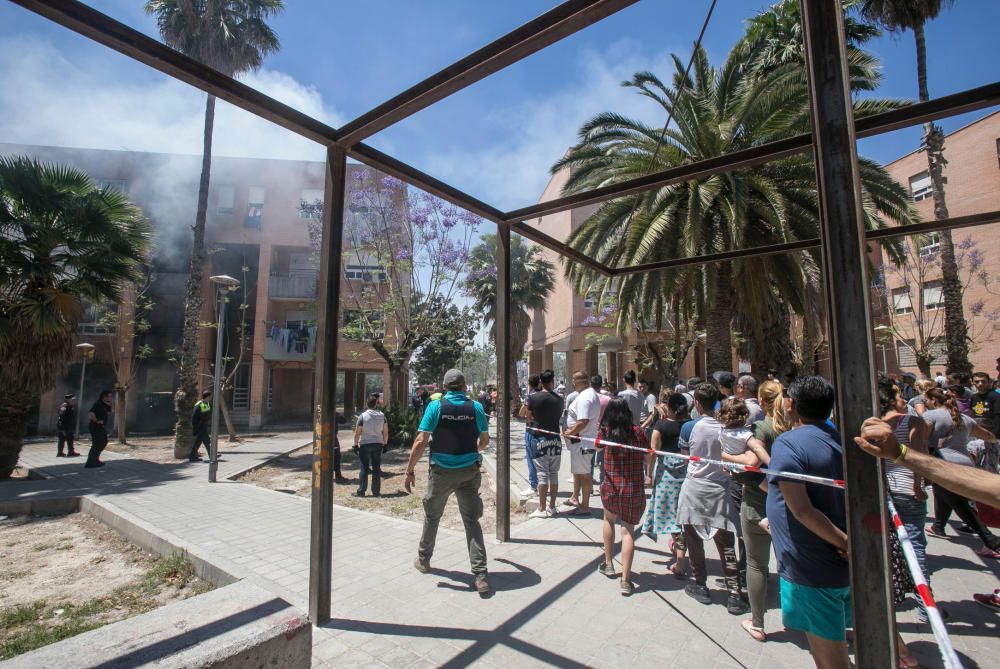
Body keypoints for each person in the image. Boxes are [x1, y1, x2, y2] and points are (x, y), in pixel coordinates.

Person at [857, 418, 1000, 613]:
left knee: (910, 545)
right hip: (917, 485)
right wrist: (902, 455)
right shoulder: (921, 420)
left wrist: (903, 456)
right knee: (913, 544)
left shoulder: (918, 419)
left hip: (912, 485)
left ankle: (922, 605)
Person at [766, 376, 850, 669]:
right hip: (834, 562)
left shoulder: (788, 444)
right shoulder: (838, 436)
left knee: (831, 660)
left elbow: (801, 508)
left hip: (813, 564)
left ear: (791, 405)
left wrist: (843, 542)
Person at [405, 369, 491, 595]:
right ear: (463, 387)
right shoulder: (476, 407)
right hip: (469, 472)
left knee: (432, 516)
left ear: (444, 387)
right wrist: (472, 450)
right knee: (471, 521)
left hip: (441, 472)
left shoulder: (435, 407)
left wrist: (409, 470)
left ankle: (424, 560)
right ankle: (480, 575)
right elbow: (484, 439)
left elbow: (421, 439)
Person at [721, 379, 788, 642]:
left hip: (757, 502)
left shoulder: (760, 428)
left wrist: (725, 456)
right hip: (791, 500)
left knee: (756, 562)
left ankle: (757, 622)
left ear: (761, 401)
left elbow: (750, 461)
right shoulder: (792, 426)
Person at [675, 383, 748, 614]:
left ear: (696, 403)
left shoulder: (689, 427)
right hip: (720, 487)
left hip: (694, 486)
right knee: (726, 541)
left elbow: (685, 457)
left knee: (693, 536)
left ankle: (700, 583)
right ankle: (735, 592)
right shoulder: (727, 428)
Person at [875, 378, 938, 634]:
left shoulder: (876, 424)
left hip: (886, 489)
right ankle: (926, 605)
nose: (904, 400)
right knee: (916, 545)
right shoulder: (912, 422)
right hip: (907, 490)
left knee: (888, 545)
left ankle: (890, 595)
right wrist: (917, 487)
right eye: (900, 397)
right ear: (892, 398)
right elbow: (919, 456)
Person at [923, 386, 1000, 556]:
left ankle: (992, 542)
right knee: (943, 494)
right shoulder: (965, 418)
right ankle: (938, 526)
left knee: (959, 504)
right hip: (964, 463)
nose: (926, 403)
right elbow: (987, 435)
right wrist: (994, 440)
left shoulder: (930, 416)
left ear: (934, 401)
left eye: (927, 400)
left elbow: (921, 441)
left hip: (942, 463)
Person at [596, 398, 648, 595]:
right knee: (628, 532)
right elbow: (648, 457)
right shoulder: (638, 432)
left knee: (608, 520)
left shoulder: (605, 432)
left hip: (611, 486)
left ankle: (608, 563)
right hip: (633, 488)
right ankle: (626, 580)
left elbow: (597, 447)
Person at [641, 392, 690, 578]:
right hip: (685, 474)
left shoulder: (660, 426)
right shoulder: (689, 425)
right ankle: (679, 549)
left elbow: (653, 452)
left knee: (672, 519)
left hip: (666, 477)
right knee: (682, 516)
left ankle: (680, 561)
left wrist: (648, 476)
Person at [524, 370, 564, 518]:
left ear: (540, 381)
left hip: (539, 439)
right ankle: (552, 506)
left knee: (542, 475)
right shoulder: (560, 400)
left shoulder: (533, 398)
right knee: (554, 474)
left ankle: (541, 508)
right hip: (555, 439)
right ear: (553, 381)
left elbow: (528, 417)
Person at [562, 371, 601, 516]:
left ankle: (584, 507)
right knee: (578, 473)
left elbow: (583, 421)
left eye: (573, 379)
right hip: (580, 443)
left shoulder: (585, 398)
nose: (572, 382)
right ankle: (575, 498)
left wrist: (570, 432)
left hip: (582, 444)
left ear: (579, 381)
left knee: (585, 475)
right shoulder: (587, 395)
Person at [353, 395, 389, 498]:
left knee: (364, 468)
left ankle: (361, 490)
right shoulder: (382, 416)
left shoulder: (363, 416)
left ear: (366, 403)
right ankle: (376, 491)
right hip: (378, 444)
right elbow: (386, 431)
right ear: (376, 404)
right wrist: (385, 443)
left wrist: (355, 445)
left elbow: (357, 432)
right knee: (376, 468)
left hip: (365, 444)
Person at [518, 374, 542, 498]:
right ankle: (542, 485)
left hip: (532, 430)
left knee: (531, 459)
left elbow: (521, 413)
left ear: (529, 383)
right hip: (545, 430)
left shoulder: (530, 396)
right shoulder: (546, 394)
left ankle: (533, 486)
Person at [85, 390, 114, 469]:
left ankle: (95, 459)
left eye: (111, 396)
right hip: (96, 426)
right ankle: (90, 462)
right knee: (97, 444)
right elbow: (91, 413)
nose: (111, 398)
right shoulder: (98, 404)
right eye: (109, 396)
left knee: (103, 442)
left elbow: (112, 410)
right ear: (104, 397)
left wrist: (110, 404)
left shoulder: (105, 405)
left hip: (101, 427)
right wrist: (96, 421)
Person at [189, 390, 212, 462]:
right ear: (206, 397)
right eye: (209, 397)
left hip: (204, 426)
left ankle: (192, 457)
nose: (210, 398)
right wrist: (195, 428)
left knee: (198, 442)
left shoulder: (208, 404)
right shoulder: (199, 405)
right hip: (199, 426)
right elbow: (193, 417)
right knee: (207, 441)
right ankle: (211, 455)